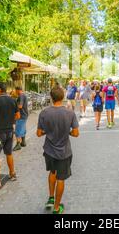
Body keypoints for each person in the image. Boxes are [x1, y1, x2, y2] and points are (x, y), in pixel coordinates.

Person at [37, 86, 79, 214]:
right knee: (61, 178)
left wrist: (48, 131)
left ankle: (50, 198)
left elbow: (39, 133)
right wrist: (68, 132)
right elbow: (76, 133)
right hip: (64, 152)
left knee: (52, 172)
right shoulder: (70, 113)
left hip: (49, 150)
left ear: (51, 97)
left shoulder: (44, 113)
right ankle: (56, 208)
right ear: (63, 97)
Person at [0, 82, 20, 191]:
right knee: (9, 153)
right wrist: (9, 121)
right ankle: (12, 173)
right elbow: (18, 115)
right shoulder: (13, 100)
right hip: (10, 131)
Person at [13, 87, 29, 151]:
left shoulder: (21, 96)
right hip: (25, 114)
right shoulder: (24, 95)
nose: (15, 92)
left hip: (21, 115)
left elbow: (20, 106)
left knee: (18, 130)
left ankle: (18, 144)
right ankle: (23, 142)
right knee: (23, 128)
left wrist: (14, 107)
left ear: (18, 90)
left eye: (16, 91)